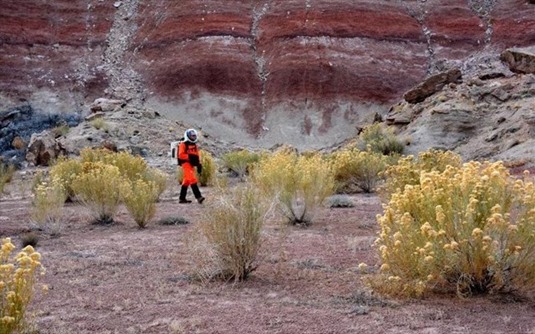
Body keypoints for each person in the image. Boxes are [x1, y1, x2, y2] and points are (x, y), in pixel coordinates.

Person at [177, 128, 205, 204]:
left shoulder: (194, 145)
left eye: (194, 136)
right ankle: (198, 197)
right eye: (192, 136)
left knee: (186, 181)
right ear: (188, 136)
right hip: (185, 163)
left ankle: (182, 198)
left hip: (191, 164)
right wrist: (190, 157)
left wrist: (198, 164)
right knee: (192, 179)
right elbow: (181, 155)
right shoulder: (183, 144)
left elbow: (196, 155)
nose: (193, 137)